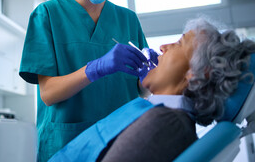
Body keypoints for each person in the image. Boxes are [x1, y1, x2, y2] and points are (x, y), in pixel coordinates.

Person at [19, 0, 158, 161]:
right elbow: (48, 94)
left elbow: (140, 91)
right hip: (67, 144)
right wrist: (94, 69)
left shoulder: (127, 20)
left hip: (122, 141)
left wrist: (149, 77)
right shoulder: (47, 15)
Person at [49, 17, 255, 162]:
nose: (163, 47)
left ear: (195, 73)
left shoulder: (167, 124)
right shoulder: (161, 114)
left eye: (179, 43)